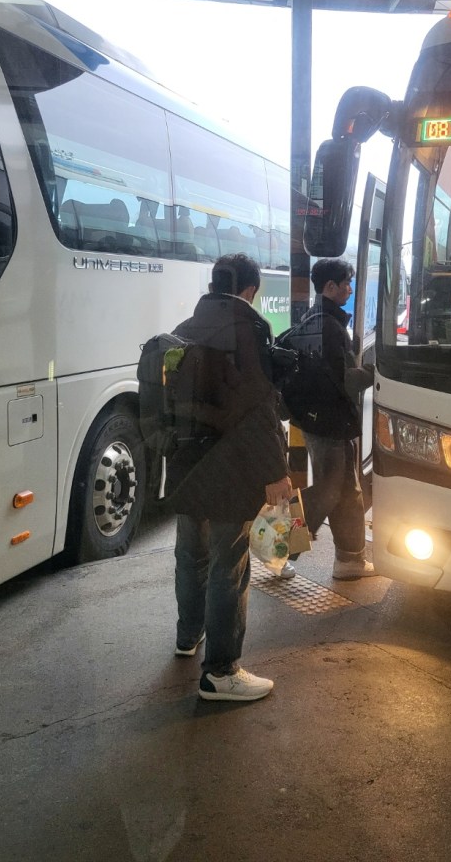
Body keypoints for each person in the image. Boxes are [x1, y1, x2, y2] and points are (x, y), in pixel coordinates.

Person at [165, 252, 291, 702]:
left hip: (185, 464)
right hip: (228, 467)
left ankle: (188, 635)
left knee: (190, 553)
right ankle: (221, 672)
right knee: (229, 564)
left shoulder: (185, 327)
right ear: (250, 290)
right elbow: (258, 409)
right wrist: (276, 472)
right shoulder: (249, 329)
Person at [289, 258, 375, 580]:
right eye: (346, 284)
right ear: (330, 287)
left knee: (347, 490)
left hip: (325, 421)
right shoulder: (329, 326)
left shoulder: (315, 319)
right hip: (329, 423)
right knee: (328, 491)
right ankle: (277, 543)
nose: (350, 290)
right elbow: (344, 380)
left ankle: (350, 560)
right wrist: (374, 372)